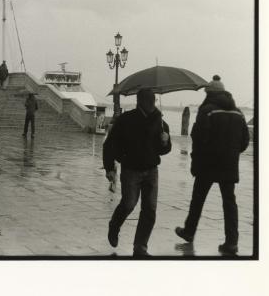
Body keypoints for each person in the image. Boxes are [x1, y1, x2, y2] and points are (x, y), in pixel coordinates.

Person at [175, 75, 249, 255]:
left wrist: (196, 160)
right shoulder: (238, 112)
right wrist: (231, 154)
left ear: (210, 93)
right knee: (229, 203)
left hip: (207, 164)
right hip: (229, 165)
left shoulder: (207, 110)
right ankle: (232, 242)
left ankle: (189, 232)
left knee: (198, 199)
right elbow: (245, 141)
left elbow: (198, 138)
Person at [103, 88, 172, 256]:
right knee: (129, 204)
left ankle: (140, 246)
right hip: (131, 170)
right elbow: (109, 144)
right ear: (140, 101)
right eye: (148, 101)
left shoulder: (160, 122)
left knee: (150, 209)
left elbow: (163, 150)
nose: (151, 104)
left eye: (153, 100)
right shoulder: (126, 120)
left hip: (151, 171)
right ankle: (114, 224)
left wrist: (166, 142)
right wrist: (109, 167)